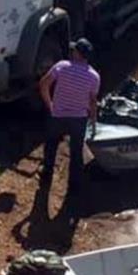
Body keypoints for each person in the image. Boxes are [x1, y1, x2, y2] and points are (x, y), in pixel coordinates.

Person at [38, 38, 100, 195]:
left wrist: (50, 104)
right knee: (76, 152)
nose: (72, 52)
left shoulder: (62, 66)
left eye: (74, 50)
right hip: (78, 119)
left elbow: (43, 84)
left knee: (51, 146)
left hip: (57, 115)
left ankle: (46, 175)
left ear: (78, 53)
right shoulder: (94, 76)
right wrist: (93, 121)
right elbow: (93, 102)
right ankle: (73, 186)